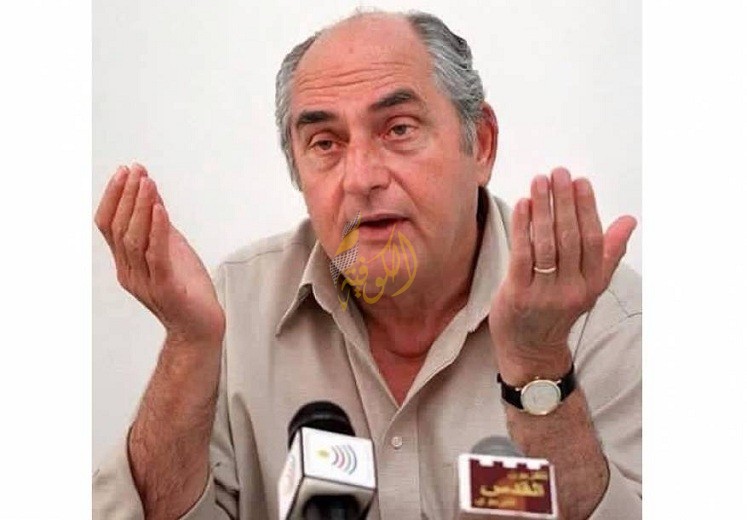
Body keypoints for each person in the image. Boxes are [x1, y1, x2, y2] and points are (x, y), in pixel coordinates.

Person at [93, 10, 641, 520]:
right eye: (325, 143)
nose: (360, 178)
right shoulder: (236, 306)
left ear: (480, 144)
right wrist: (188, 346)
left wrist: (539, 364)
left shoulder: (595, 313)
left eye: (398, 129)